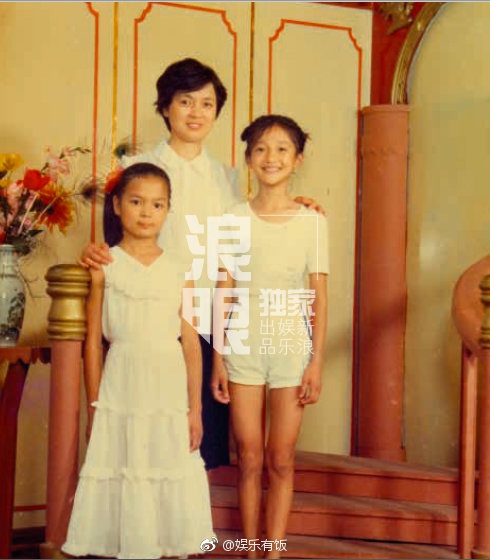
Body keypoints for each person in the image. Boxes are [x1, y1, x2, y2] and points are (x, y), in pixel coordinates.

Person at [81, 58, 324, 471]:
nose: (196, 113)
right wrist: (93, 254)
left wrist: (297, 206)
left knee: (202, 445)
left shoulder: (227, 177)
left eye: (207, 104)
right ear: (165, 107)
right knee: (147, 441)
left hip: (212, 323)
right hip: (154, 320)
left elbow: (256, 221)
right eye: (185, 101)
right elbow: (113, 247)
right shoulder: (135, 170)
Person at [62, 163, 214, 559]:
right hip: (122, 383)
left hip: (167, 384)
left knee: (167, 464)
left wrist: (195, 409)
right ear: (116, 205)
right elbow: (93, 344)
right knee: (125, 466)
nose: (147, 212)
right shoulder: (105, 265)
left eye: (157, 204)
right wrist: (94, 403)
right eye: (136, 202)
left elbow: (191, 343)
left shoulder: (181, 269)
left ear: (168, 210)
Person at [211, 115, 328, 559]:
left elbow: (319, 296)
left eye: (282, 149)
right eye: (260, 148)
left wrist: (316, 361)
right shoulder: (232, 218)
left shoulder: (312, 221)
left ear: (297, 160)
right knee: (249, 456)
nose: (270, 157)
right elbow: (223, 290)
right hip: (242, 342)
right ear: (248, 159)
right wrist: (218, 358)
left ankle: (273, 552)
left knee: (281, 458)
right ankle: (249, 551)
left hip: (291, 345)